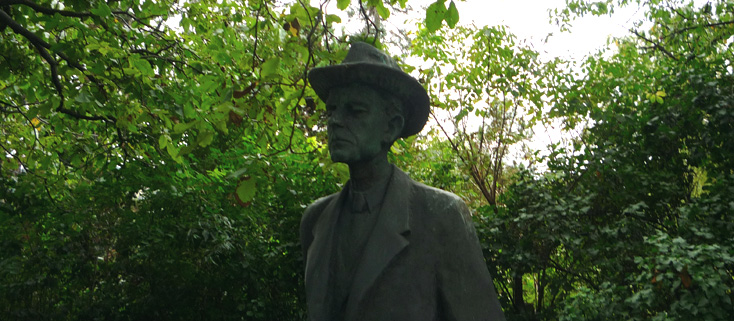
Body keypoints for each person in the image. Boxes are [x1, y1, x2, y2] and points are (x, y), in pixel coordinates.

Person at [300, 42, 505, 321]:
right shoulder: (315, 220)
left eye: (355, 110)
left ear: (391, 126)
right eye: (332, 109)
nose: (335, 121)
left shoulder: (441, 214)